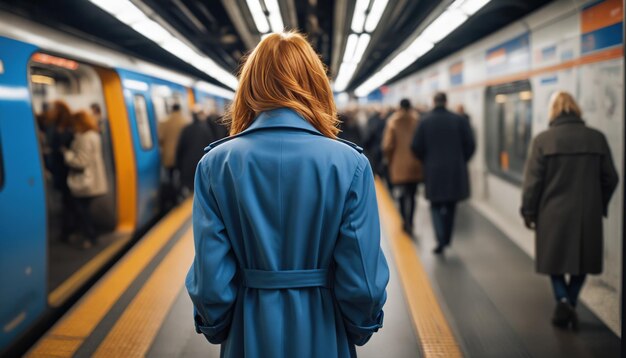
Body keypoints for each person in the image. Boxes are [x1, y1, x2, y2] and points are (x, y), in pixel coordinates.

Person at [186, 31, 389, 358]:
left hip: (248, 331)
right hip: (324, 329)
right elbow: (363, 282)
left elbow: (211, 281)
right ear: (316, 84)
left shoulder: (215, 165)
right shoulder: (351, 164)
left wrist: (216, 326)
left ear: (250, 85)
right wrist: (362, 326)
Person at [521, 91, 618, 330]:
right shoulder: (597, 138)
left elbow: (533, 183)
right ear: (577, 109)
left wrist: (529, 212)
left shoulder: (543, 140)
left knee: (553, 262)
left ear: (553, 111)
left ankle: (563, 300)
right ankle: (570, 301)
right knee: (583, 262)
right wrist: (599, 203)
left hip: (551, 213)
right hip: (588, 214)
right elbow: (611, 178)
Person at [411, 92, 475, 254]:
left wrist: (426, 160)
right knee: (451, 205)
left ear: (433, 102)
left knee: (435, 204)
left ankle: (440, 239)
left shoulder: (424, 121)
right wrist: (461, 160)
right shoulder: (459, 120)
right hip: (455, 170)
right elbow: (471, 145)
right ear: (446, 102)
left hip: (433, 170)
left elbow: (416, 146)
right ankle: (447, 238)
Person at [64, 110, 108, 249]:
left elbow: (81, 161)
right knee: (84, 209)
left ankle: (90, 236)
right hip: (94, 178)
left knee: (82, 210)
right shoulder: (94, 135)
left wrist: (68, 154)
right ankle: (89, 234)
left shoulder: (84, 138)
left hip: (85, 180)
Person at [382, 99, 422, 235]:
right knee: (412, 195)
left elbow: (387, 145)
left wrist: (389, 158)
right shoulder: (417, 120)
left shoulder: (393, 121)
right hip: (415, 164)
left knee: (401, 194)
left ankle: (404, 221)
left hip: (398, 164)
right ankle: (410, 221)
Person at [175, 105, 215, 194]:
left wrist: (178, 166)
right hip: (201, 164)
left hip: (187, 165)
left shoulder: (186, 129)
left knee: (190, 190)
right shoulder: (205, 129)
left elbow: (180, 149)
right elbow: (210, 148)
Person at [158, 103, 187, 206]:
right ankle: (180, 195)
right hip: (183, 156)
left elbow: (160, 139)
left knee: (170, 177)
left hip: (168, 155)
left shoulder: (165, 122)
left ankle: (172, 198)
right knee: (180, 176)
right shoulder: (186, 121)